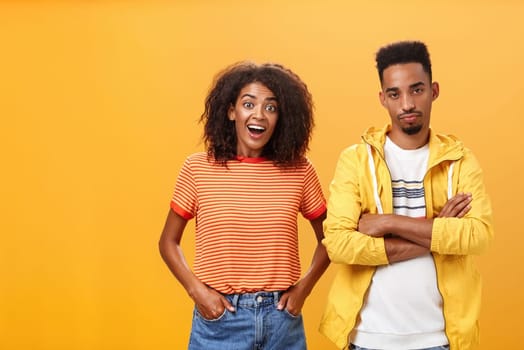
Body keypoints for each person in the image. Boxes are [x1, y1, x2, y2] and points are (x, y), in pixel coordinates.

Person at [319, 41, 494, 350]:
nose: (407, 104)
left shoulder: (460, 160)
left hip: (440, 339)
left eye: (417, 90)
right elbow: (338, 244)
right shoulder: (356, 160)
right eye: (395, 94)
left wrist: (389, 222)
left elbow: (478, 235)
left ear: (434, 90)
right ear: (382, 99)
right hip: (368, 338)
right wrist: (439, 230)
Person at [158, 61, 330, 349]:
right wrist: (197, 292)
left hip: (281, 321)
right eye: (248, 104)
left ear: (281, 118)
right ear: (231, 111)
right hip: (220, 320)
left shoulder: (300, 170)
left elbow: (331, 239)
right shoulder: (197, 168)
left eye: (271, 108)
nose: (259, 115)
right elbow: (168, 242)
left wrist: (304, 289)